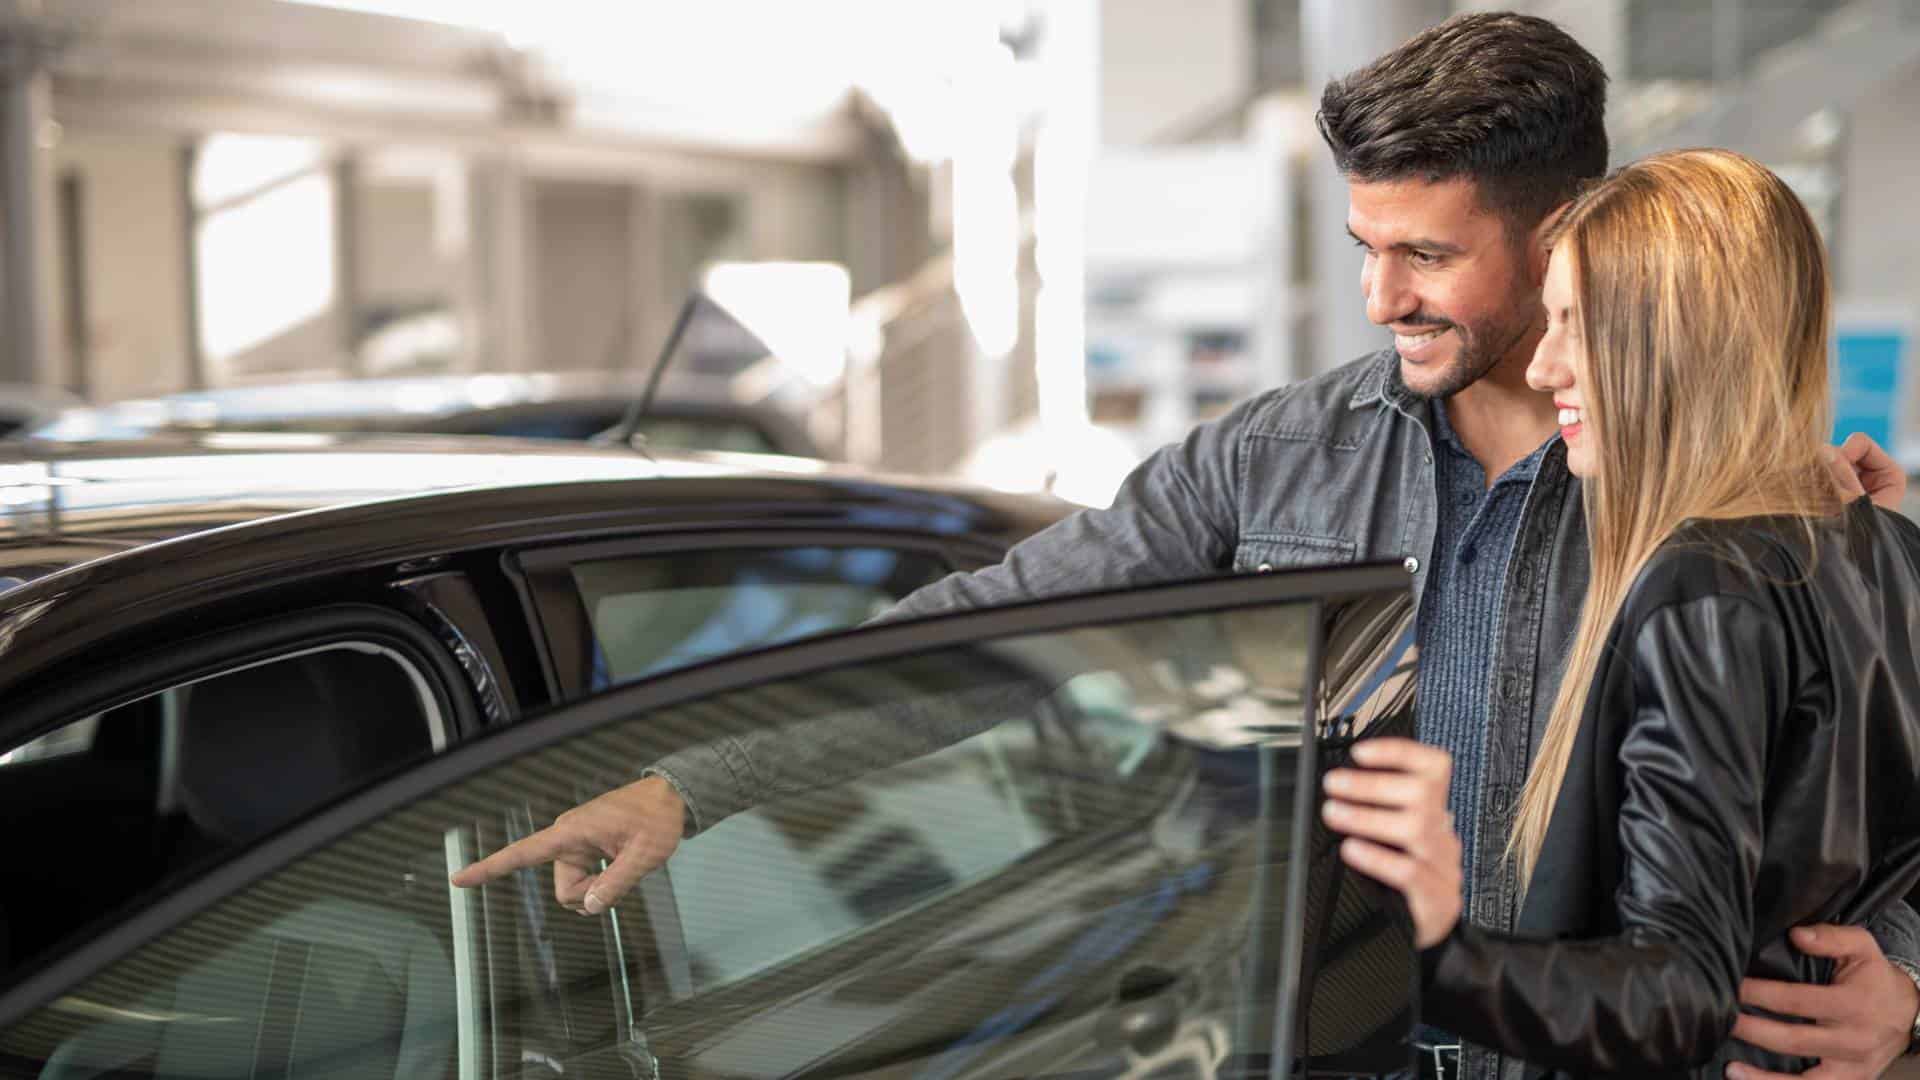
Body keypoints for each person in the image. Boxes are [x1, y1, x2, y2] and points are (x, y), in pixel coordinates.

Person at [452, 13, 1920, 1077]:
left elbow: (1877, 793)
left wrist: (1908, 981)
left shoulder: (1743, 512)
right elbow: (998, 634)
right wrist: (693, 779)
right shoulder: (1275, 462)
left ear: (1562, 244)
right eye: (1361, 244)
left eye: (1424, 255)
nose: (1376, 297)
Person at [1322, 147, 1920, 1078]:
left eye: (1574, 325)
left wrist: (1442, 951)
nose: (1543, 367)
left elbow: (1674, 999)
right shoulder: (1889, 552)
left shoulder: (1701, 588)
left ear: (1671, 341)